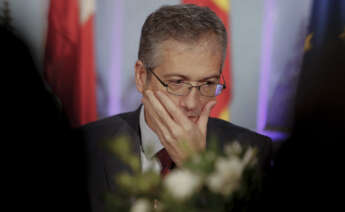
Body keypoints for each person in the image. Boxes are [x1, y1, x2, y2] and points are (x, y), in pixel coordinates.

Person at [81, 4, 272, 212]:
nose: (192, 103)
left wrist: (197, 169)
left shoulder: (250, 155)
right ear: (141, 77)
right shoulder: (83, 149)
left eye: (208, 83)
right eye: (177, 83)